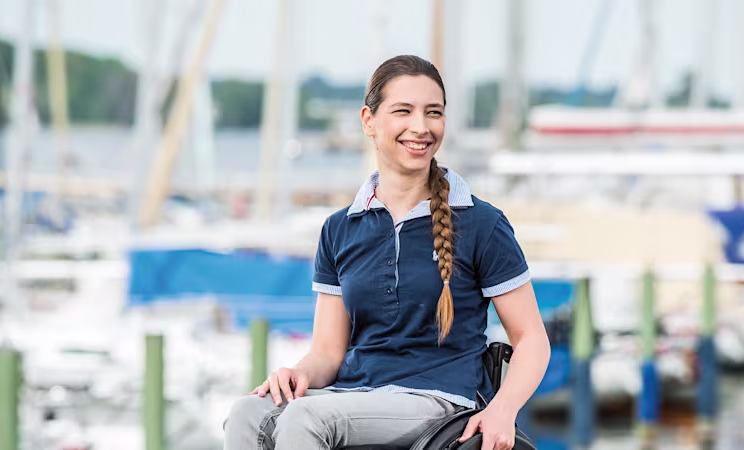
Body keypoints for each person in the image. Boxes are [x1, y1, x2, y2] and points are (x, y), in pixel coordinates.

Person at [224, 55, 551, 450]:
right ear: (369, 121)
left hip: (440, 398)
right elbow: (328, 352)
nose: (421, 126)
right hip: (354, 394)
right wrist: (298, 372)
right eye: (404, 111)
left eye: (434, 113)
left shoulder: (482, 223)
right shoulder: (340, 228)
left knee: (306, 418)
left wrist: (504, 408)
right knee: (247, 412)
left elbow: (532, 338)